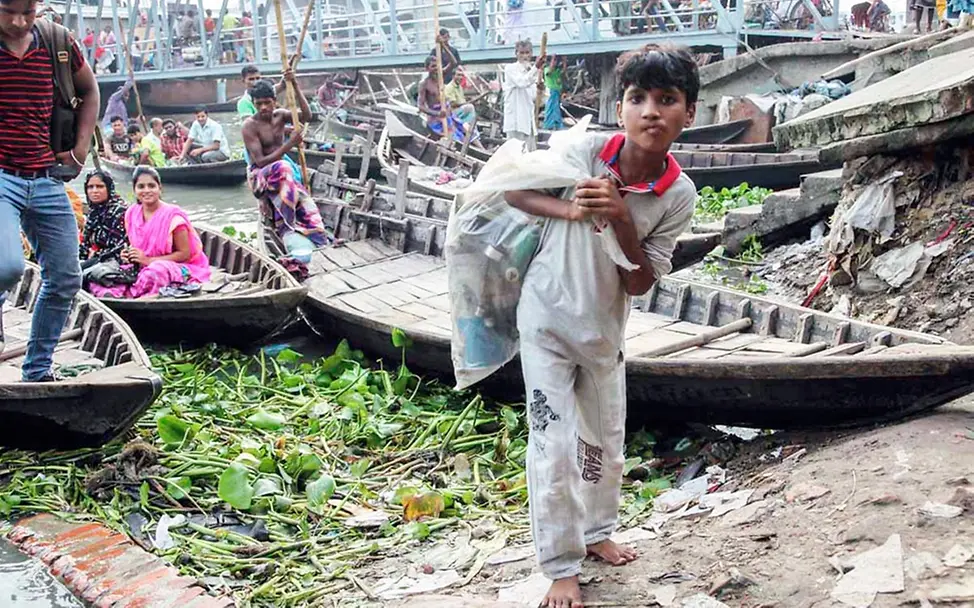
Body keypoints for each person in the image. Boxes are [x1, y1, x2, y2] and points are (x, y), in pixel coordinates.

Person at [503, 44, 698, 608]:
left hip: (603, 330)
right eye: (637, 98)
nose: (651, 111)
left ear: (689, 114)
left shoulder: (677, 194)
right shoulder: (585, 151)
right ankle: (561, 564)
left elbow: (640, 282)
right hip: (545, 318)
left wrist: (619, 218)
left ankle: (598, 532)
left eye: (668, 100)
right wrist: (574, 210)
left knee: (605, 443)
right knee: (552, 444)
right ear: (621, 109)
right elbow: (512, 189)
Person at [0, 0, 99, 380]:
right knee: (7, 266)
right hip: (2, 177)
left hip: (46, 177)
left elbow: (89, 92)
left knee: (65, 279)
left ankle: (38, 371)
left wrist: (81, 147)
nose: (19, 21)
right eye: (9, 11)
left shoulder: (57, 41)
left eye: (27, 11)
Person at [88, 167, 211, 299]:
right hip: (142, 265)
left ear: (160, 188)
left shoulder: (173, 217)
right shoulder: (131, 213)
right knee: (100, 274)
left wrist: (148, 260)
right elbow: (135, 245)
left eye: (151, 186)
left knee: (155, 272)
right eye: (141, 186)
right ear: (135, 190)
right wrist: (128, 254)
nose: (146, 190)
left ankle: (133, 295)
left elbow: (184, 254)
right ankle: (115, 295)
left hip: (177, 266)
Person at [242, 78, 331, 258]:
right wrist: (290, 144)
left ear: (275, 101)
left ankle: (322, 240)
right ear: (253, 104)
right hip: (260, 178)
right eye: (258, 104)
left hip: (284, 178)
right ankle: (286, 227)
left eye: (267, 103)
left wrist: (296, 85)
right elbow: (260, 162)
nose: (263, 108)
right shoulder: (249, 126)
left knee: (310, 212)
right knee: (284, 166)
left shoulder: (281, 115)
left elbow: (307, 116)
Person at [418, 56, 478, 144]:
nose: (436, 68)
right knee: (455, 137)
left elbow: (453, 62)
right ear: (427, 68)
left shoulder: (441, 76)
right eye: (433, 66)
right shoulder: (424, 84)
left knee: (468, 131)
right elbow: (421, 106)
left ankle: (484, 151)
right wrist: (438, 114)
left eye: (437, 66)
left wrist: (445, 45)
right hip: (436, 120)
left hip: (449, 115)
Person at [503, 39, 545, 150]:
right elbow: (521, 82)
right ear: (516, 53)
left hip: (528, 121)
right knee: (514, 155)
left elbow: (536, 98)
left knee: (530, 156)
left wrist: (541, 90)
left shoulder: (533, 71)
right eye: (521, 53)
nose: (524, 56)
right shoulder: (510, 69)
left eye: (527, 53)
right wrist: (536, 67)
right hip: (516, 121)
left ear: (531, 54)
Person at [79, 170, 127, 263]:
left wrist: (97, 254)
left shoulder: (119, 211)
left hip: (113, 260)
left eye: (100, 187)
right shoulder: (93, 212)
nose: (94, 191)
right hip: (94, 257)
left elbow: (121, 247)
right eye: (90, 187)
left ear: (109, 189)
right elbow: (85, 243)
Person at [543, 55, 567, 130]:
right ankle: (548, 124)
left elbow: (563, 71)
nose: (555, 62)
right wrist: (553, 58)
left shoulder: (557, 70)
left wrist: (564, 62)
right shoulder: (547, 69)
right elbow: (550, 70)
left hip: (557, 91)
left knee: (556, 108)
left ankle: (557, 123)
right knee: (550, 107)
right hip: (550, 90)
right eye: (554, 61)